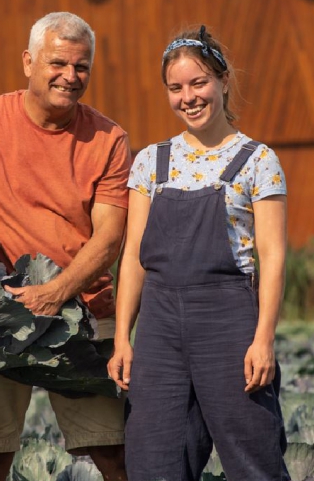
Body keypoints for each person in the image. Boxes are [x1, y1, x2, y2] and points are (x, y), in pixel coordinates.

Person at [0, 12, 131, 481]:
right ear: (28, 61)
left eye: (82, 67)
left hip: (84, 311)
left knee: (113, 454)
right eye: (58, 63)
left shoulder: (110, 139)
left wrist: (58, 291)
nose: (70, 76)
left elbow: (110, 238)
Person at [108, 26, 291, 481]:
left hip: (228, 321)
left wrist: (263, 338)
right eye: (176, 88)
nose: (188, 97)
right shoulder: (152, 160)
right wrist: (121, 338)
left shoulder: (257, 160)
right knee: (154, 457)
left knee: (253, 452)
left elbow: (272, 258)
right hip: (159, 325)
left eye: (198, 83)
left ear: (223, 81)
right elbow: (133, 256)